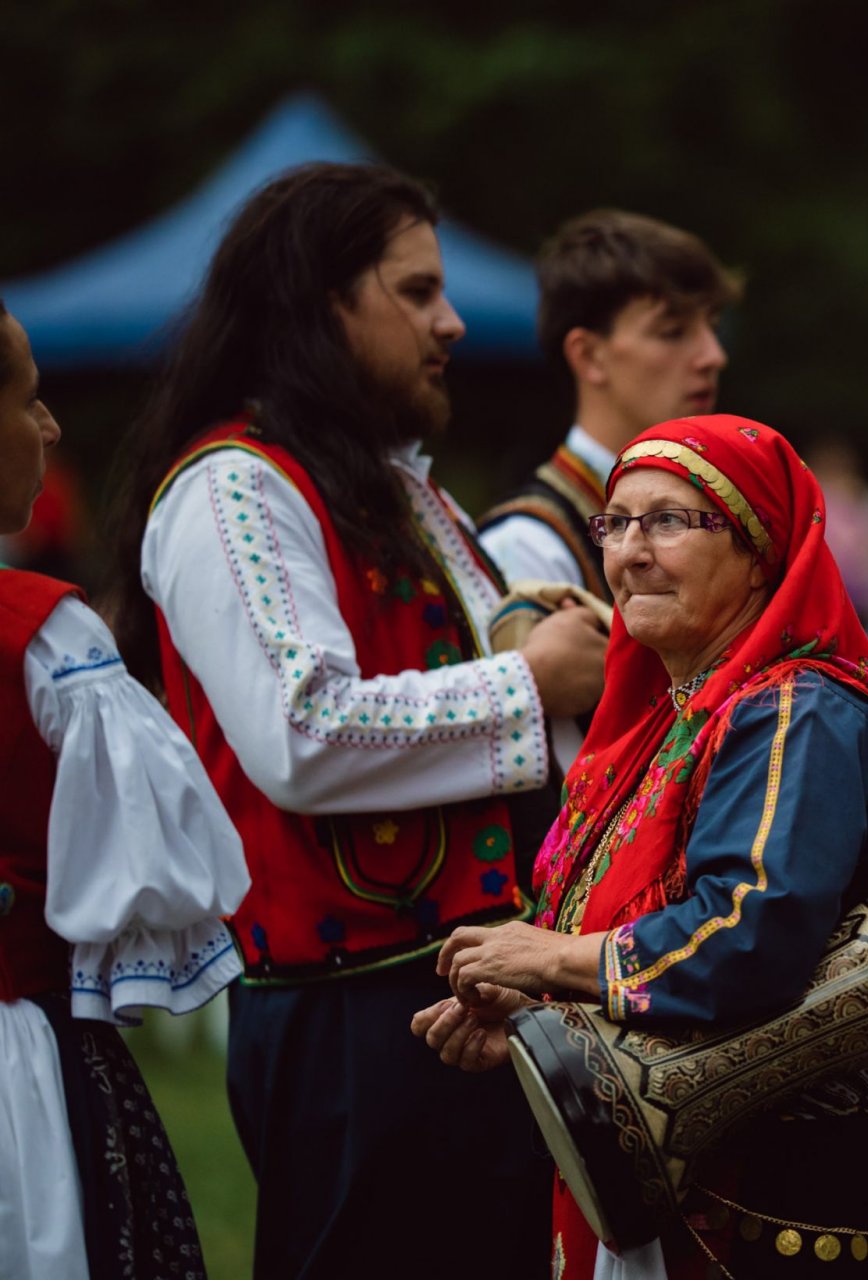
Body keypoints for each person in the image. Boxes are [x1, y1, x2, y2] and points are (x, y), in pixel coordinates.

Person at [104, 163, 607, 1278]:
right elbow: (304, 730)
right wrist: (532, 683)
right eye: (416, 291)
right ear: (321, 305)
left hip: (477, 996)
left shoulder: (391, 482)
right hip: (355, 1026)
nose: (452, 321)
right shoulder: (233, 486)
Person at [413, 415, 868, 1280]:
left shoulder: (797, 711)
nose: (631, 552)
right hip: (686, 1171)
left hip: (786, 1197)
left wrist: (551, 959)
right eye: (615, 524)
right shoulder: (667, 720)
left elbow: (746, 933)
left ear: (760, 553)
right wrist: (543, 1021)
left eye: (670, 522)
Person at [1, 298, 249, 1279]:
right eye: (29, 398)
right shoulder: (42, 637)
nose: (51, 426)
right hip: (19, 1069)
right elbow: (155, 870)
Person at [479, 209, 738, 600]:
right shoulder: (528, 550)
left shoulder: (725, 512)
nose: (714, 356)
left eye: (712, 327)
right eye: (673, 332)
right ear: (589, 356)